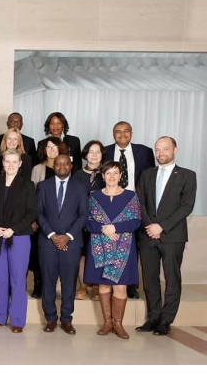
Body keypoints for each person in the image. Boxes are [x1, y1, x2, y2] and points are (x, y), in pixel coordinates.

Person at [135, 137, 196, 336]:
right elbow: (139, 203)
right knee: (150, 279)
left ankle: (166, 320)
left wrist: (161, 226)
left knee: (171, 279)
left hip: (172, 236)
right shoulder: (146, 174)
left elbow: (186, 206)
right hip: (147, 235)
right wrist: (149, 226)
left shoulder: (187, 175)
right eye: (157, 149)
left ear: (175, 150)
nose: (160, 153)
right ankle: (153, 318)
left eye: (165, 149)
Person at [85, 161, 142, 339]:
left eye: (115, 173)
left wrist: (114, 228)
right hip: (99, 247)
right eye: (108, 173)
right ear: (103, 176)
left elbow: (136, 221)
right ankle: (107, 322)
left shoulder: (130, 196)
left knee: (120, 287)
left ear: (120, 176)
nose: (111, 176)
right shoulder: (94, 197)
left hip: (123, 249)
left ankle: (118, 324)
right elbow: (87, 221)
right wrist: (103, 228)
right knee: (103, 285)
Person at [37, 154, 89, 335]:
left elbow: (83, 215)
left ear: (71, 165)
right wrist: (52, 235)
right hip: (47, 242)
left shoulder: (81, 187)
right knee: (48, 282)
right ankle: (50, 318)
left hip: (72, 243)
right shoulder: (43, 186)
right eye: (58, 163)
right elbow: (39, 213)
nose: (61, 166)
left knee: (69, 283)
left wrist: (67, 236)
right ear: (53, 166)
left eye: (65, 163)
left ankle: (67, 319)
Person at [0, 149, 37, 333]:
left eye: (14, 161)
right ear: (3, 163)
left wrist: (12, 230)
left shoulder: (28, 185)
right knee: (0, 279)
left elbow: (31, 212)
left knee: (17, 280)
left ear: (20, 163)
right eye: (7, 161)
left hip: (19, 238)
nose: (11, 165)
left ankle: (17, 320)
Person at [104, 121, 155, 300]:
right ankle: (109, 282)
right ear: (113, 134)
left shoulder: (145, 151)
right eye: (118, 132)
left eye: (126, 131)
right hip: (112, 204)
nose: (122, 135)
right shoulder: (105, 151)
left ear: (131, 133)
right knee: (114, 244)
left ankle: (131, 284)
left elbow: (151, 179)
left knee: (135, 246)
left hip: (136, 203)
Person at [29, 137, 68, 298]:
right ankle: (39, 283)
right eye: (48, 148)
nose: (51, 150)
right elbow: (32, 195)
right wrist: (34, 219)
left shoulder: (66, 168)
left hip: (61, 221)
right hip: (42, 220)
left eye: (54, 147)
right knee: (39, 254)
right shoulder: (38, 168)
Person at [73, 140, 106, 301]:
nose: (94, 155)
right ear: (85, 154)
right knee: (82, 254)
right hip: (81, 220)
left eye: (98, 152)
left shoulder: (107, 173)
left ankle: (97, 287)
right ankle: (83, 287)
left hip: (102, 221)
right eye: (91, 151)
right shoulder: (78, 174)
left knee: (99, 253)